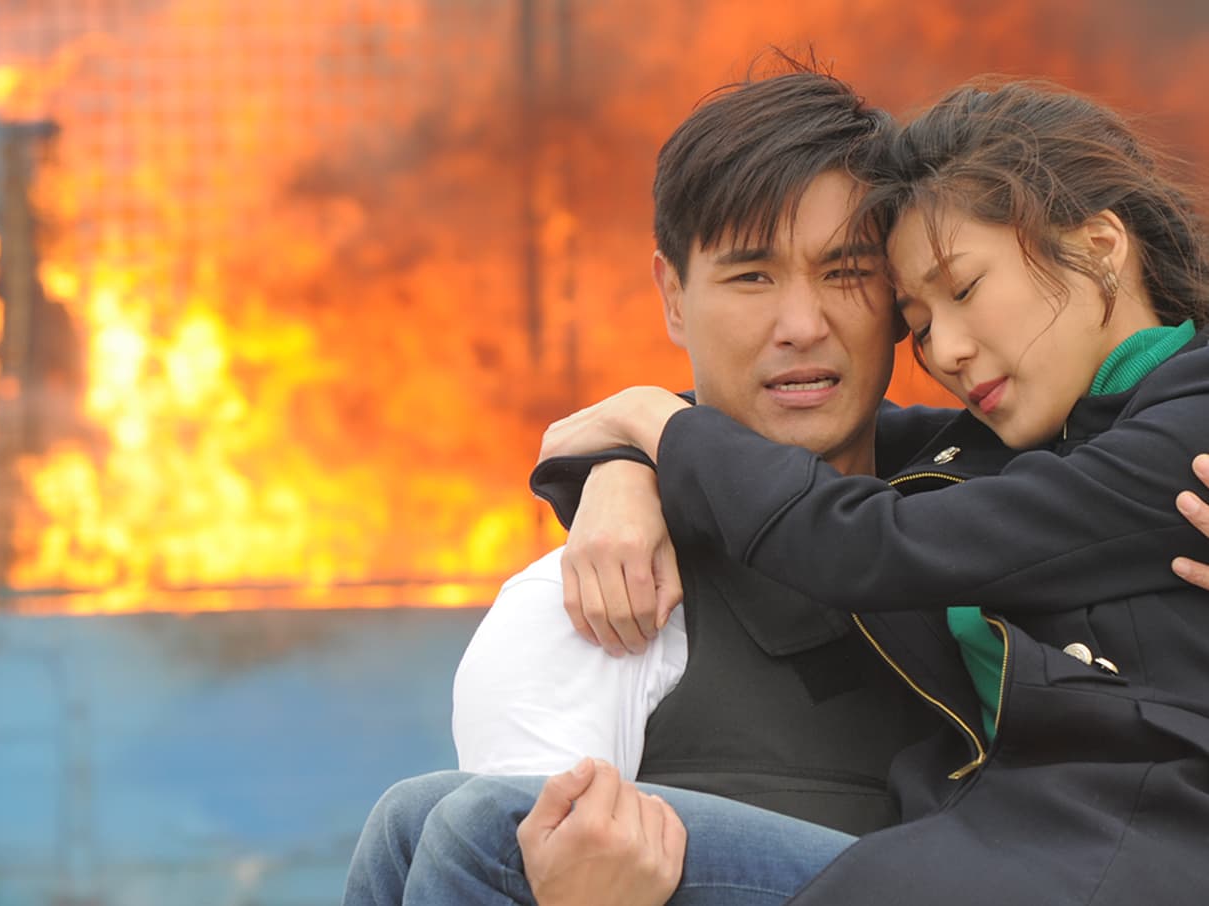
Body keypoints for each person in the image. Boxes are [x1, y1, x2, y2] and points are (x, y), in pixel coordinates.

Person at [363, 78, 1209, 906]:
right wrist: (622, 460)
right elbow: (839, 466)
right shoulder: (1013, 448)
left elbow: (866, 537)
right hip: (1008, 851)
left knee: (484, 833)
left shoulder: (1176, 427)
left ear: (1100, 245)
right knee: (409, 821)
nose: (946, 349)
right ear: (672, 295)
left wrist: (653, 426)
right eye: (921, 320)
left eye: (848, 274)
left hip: (1090, 867)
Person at [448, 65, 952, 827]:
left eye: (846, 271)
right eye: (751, 276)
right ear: (673, 297)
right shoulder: (590, 610)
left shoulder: (1004, 513)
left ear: (901, 296)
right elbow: (522, 866)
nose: (802, 325)